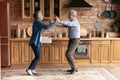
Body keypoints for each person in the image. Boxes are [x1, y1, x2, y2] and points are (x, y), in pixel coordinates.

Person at [26, 11, 55, 76]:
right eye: (41, 15)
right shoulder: (37, 22)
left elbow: (44, 29)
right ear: (39, 16)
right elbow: (47, 27)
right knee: (38, 56)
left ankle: (32, 69)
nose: (42, 16)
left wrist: (51, 23)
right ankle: (29, 69)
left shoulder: (38, 22)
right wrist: (54, 23)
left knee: (38, 56)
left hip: (37, 42)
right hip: (35, 42)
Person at [55, 10, 80, 74]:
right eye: (69, 14)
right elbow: (64, 25)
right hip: (71, 40)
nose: (68, 16)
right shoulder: (71, 22)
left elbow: (68, 23)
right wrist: (55, 23)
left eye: (70, 15)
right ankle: (74, 68)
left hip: (75, 40)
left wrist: (60, 21)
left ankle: (74, 68)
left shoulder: (75, 22)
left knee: (68, 54)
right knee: (68, 54)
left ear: (73, 16)